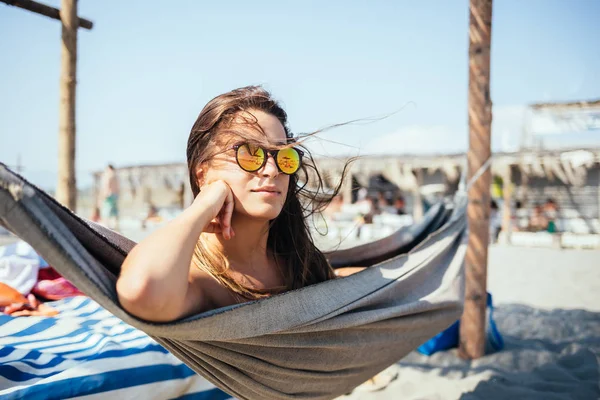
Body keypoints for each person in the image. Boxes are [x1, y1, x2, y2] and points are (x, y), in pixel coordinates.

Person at [116, 86, 360, 322]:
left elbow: (343, 283)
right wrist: (203, 206)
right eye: (250, 153)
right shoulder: (199, 277)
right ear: (202, 174)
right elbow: (142, 291)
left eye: (284, 156)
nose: (273, 170)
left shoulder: (298, 262)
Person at [99, 164, 120, 230]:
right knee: (114, 212)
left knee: (106, 213)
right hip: (115, 195)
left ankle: (107, 228)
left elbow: (106, 186)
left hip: (108, 195)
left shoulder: (108, 176)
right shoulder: (116, 176)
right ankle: (115, 227)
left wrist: (102, 197)